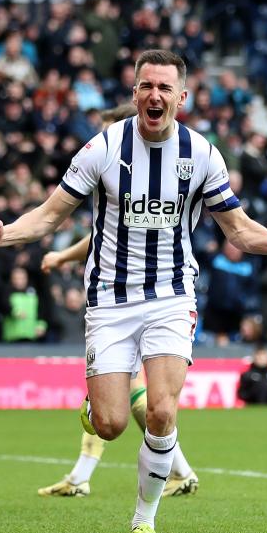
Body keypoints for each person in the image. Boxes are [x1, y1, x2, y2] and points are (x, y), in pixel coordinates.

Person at [0, 50, 267, 533]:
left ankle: (144, 522)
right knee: (111, 424)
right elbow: (51, 216)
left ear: (181, 98)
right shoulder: (102, 147)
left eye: (164, 87)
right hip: (110, 300)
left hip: (171, 294)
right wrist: (4, 233)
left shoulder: (201, 154)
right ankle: (96, 408)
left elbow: (240, 231)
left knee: (162, 410)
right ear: (134, 93)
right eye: (145, 86)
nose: (154, 95)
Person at [38, 104, 198, 499]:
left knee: (137, 399)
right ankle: (179, 470)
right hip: (113, 300)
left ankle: (84, 477)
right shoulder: (108, 165)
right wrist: (60, 256)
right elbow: (99, 236)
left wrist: (59, 256)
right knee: (125, 403)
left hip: (161, 296)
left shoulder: (164, 166)